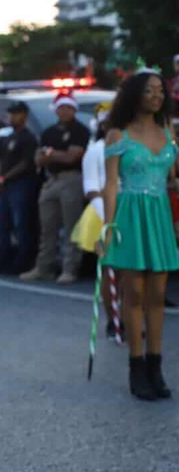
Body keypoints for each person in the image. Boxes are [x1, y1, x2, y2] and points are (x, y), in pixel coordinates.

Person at [102, 71, 178, 401]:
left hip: (160, 215)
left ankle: (155, 366)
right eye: (150, 90)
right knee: (133, 292)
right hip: (130, 217)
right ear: (136, 95)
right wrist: (108, 227)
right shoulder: (117, 135)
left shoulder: (169, 131)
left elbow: (171, 177)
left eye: (160, 90)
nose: (157, 96)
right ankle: (136, 366)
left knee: (157, 296)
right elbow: (110, 185)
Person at [21, 91, 90, 284]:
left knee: (71, 225)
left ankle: (70, 268)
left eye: (69, 107)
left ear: (74, 109)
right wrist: (52, 155)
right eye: (61, 107)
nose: (65, 111)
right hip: (51, 179)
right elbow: (38, 158)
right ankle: (44, 267)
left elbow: (72, 156)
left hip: (72, 179)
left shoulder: (80, 131)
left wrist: (50, 155)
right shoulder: (49, 132)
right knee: (47, 227)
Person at [71, 103, 122, 337]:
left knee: (128, 272)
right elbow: (91, 190)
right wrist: (108, 220)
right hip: (104, 214)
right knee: (110, 269)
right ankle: (113, 318)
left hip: (129, 212)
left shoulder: (128, 147)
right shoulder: (95, 150)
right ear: (102, 124)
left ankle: (129, 316)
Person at [0, 102, 39, 275]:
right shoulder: (8, 137)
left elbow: (26, 163)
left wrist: (5, 177)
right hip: (5, 187)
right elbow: (0, 159)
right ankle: (3, 259)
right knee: (2, 224)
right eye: (10, 113)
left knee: (21, 224)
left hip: (21, 185)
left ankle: (23, 261)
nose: (11, 117)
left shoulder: (28, 138)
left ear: (25, 115)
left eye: (16, 114)